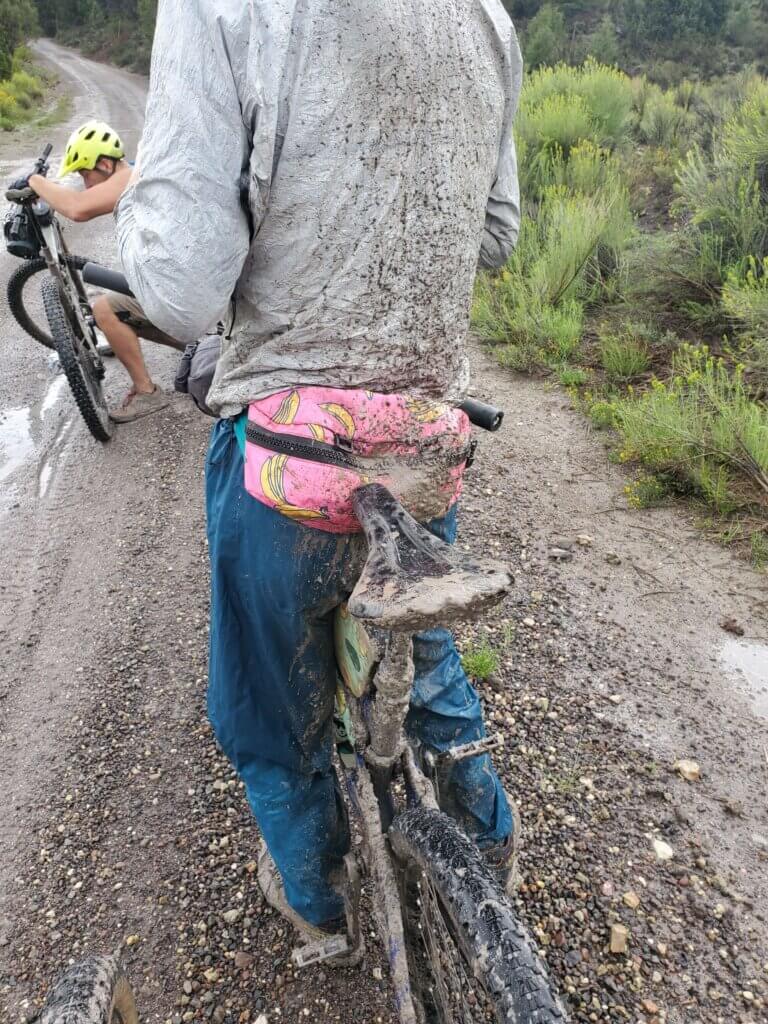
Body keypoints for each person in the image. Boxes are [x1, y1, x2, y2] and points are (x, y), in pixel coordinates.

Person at [116, 0, 523, 944]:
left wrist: (143, 203)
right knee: (421, 636)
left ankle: (318, 895)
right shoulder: (485, 16)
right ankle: (482, 825)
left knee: (265, 702)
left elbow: (179, 287)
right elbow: (494, 233)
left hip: (291, 460)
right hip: (426, 440)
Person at [27, 120, 181, 423]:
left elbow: (78, 207)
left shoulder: (132, 177)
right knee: (117, 298)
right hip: (180, 287)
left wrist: (34, 181)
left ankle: (147, 393)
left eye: (86, 173)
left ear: (107, 164)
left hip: (187, 306)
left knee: (105, 310)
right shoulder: (137, 169)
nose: (86, 183)